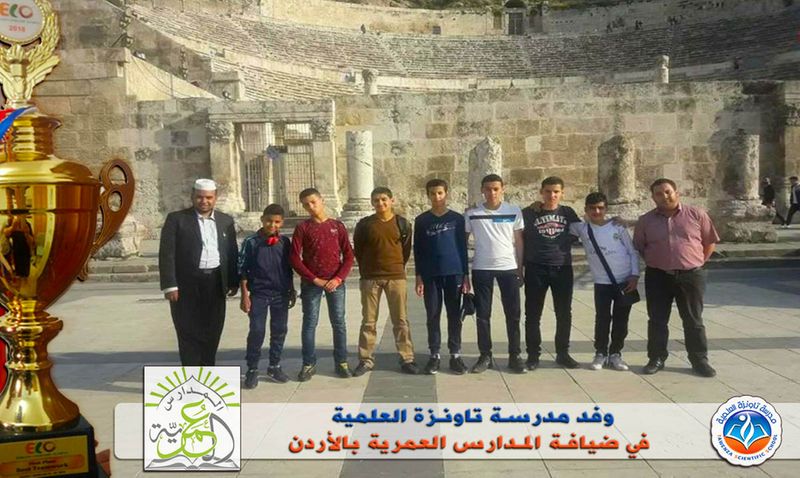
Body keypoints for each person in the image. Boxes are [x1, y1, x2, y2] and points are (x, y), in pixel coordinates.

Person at [633, 178, 719, 377]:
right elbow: (640, 247)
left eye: (668, 192)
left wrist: (696, 262)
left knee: (693, 320)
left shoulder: (697, 214)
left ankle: (699, 360)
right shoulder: (645, 221)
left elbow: (709, 242)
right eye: (658, 194)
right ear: (653, 198)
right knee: (657, 319)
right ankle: (656, 358)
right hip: (658, 276)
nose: (664, 196)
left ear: (676, 193)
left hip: (690, 275)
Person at [159, 179, 238, 366]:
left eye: (209, 197)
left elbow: (231, 252)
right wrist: (170, 285)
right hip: (186, 284)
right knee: (187, 329)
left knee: (213, 328)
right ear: (192, 197)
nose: (204, 201)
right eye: (200, 197)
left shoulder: (225, 221)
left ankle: (208, 367)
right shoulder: (177, 219)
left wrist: (233, 281)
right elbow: (167, 253)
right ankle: (192, 371)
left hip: (215, 282)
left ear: (215, 198)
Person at [290, 188, 355, 382]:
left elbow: (348, 255)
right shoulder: (303, 228)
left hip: (336, 282)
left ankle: (341, 362)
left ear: (321, 201)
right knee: (310, 323)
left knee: (339, 322)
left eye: (313, 202)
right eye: (306, 204)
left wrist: (339, 278)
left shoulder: (337, 226)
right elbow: (295, 258)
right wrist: (314, 279)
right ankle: (308, 363)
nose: (311, 207)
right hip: (312, 283)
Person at [569, 192, 639, 371]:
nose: (597, 212)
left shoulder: (617, 227)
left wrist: (634, 275)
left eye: (600, 208)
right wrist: (537, 206)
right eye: (592, 208)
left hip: (624, 280)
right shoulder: (581, 228)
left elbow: (632, 251)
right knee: (602, 318)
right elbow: (559, 220)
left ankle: (615, 353)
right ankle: (600, 353)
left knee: (621, 319)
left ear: (606, 209)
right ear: (586, 210)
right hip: (602, 282)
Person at [353, 187, 418, 376]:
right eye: (376, 200)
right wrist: (367, 269)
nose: (380, 203)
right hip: (370, 278)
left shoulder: (402, 224)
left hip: (395, 276)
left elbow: (405, 250)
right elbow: (359, 249)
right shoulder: (365, 225)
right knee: (368, 321)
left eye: (383, 199)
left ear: (391, 201)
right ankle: (365, 359)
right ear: (372, 203)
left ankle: (407, 358)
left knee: (401, 320)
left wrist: (396, 266)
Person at [465, 174, 525, 374]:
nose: (492, 193)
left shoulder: (513, 211)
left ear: (502, 189)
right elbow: (463, 242)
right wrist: (464, 273)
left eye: (496, 189)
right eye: (488, 189)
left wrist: (520, 268)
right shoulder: (472, 213)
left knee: (513, 314)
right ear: (482, 190)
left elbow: (519, 241)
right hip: (482, 268)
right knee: (483, 315)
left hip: (508, 267)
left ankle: (515, 355)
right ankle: (485, 356)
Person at [522, 176, 582, 370]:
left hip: (562, 268)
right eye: (548, 191)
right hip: (536, 267)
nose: (552, 195)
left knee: (564, 313)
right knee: (533, 314)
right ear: (541, 192)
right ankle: (533, 355)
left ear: (562, 193)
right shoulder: (529, 213)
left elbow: (581, 231)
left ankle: (563, 353)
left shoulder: (568, 213)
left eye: (556, 191)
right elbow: (519, 237)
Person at [413, 179, 470, 375]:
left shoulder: (457, 219)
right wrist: (418, 276)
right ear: (427, 195)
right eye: (432, 193)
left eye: (440, 193)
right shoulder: (422, 220)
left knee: (454, 315)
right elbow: (418, 250)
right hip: (430, 275)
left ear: (446, 193)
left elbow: (462, 248)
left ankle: (455, 354)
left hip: (454, 273)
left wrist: (465, 275)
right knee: (433, 315)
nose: (437, 197)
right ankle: (434, 354)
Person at [239, 204, 295, 388]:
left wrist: (291, 290)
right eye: (269, 221)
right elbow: (242, 270)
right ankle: (252, 368)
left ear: (282, 223)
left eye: (277, 222)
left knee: (279, 330)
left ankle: (274, 365)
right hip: (259, 294)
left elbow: (288, 269)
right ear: (262, 220)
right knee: (257, 330)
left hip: (280, 294)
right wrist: (245, 295)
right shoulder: (251, 242)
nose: (272, 225)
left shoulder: (284, 242)